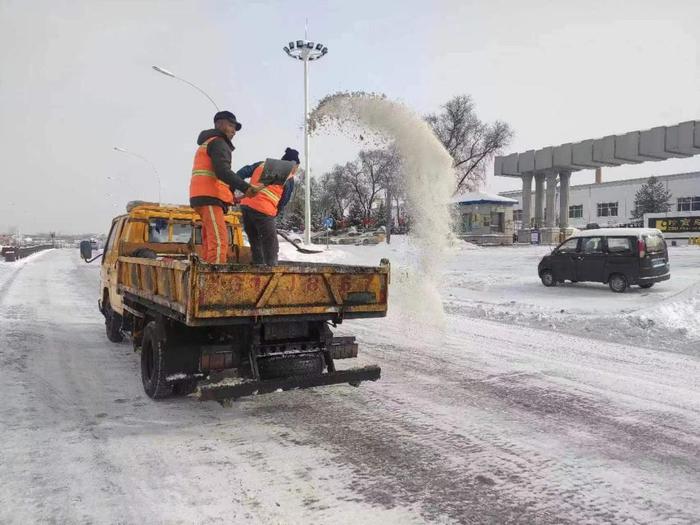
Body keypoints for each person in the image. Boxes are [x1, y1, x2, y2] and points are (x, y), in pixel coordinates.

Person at [189, 111, 261, 264]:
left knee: (210, 238)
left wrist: (229, 197)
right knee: (219, 239)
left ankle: (208, 269)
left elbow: (217, 175)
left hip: (204, 196)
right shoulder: (218, 142)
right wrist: (246, 187)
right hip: (208, 197)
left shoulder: (209, 142)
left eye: (235, 128)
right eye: (231, 125)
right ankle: (214, 276)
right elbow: (222, 171)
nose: (234, 131)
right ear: (219, 124)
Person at [237, 148, 299, 265]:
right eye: (297, 168)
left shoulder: (262, 164)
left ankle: (258, 268)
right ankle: (271, 272)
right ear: (293, 165)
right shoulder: (288, 176)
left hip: (246, 206)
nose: (295, 171)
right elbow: (283, 201)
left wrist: (235, 189)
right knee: (271, 244)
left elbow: (242, 173)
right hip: (263, 211)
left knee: (255, 241)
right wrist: (274, 215)